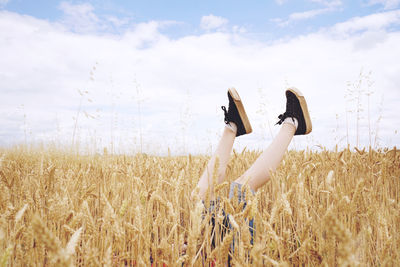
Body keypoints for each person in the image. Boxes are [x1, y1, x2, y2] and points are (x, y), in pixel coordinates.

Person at [190, 87, 312, 261]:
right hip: (236, 260)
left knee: (198, 197)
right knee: (242, 188)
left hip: (208, 257)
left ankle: (233, 126)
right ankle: (293, 123)